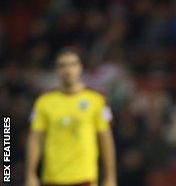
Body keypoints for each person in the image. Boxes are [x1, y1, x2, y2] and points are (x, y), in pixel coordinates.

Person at [26, 50, 117, 186]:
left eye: (72, 64)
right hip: (52, 178)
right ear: (56, 70)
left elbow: (105, 139)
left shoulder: (96, 100)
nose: (68, 70)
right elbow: (35, 139)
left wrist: (110, 177)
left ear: (80, 68)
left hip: (84, 178)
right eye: (62, 66)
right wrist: (31, 175)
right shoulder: (44, 102)